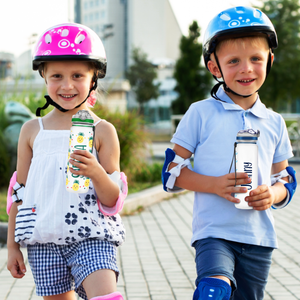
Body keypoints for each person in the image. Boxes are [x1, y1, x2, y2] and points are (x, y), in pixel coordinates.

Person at [161, 6, 297, 300]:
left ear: (269, 61)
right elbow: (171, 173)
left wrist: (272, 195)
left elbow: (285, 179)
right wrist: (214, 184)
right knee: (214, 290)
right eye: (233, 61)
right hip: (214, 233)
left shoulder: (274, 122)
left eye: (256, 59)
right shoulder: (200, 113)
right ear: (215, 67)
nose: (246, 68)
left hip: (259, 237)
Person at [6, 23, 127, 300]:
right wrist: (13, 246)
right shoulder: (32, 130)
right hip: (43, 240)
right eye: (57, 76)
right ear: (44, 77)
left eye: (77, 75)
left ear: (93, 78)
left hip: (92, 236)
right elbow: (19, 191)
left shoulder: (103, 130)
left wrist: (96, 172)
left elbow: (113, 200)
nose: (67, 85)